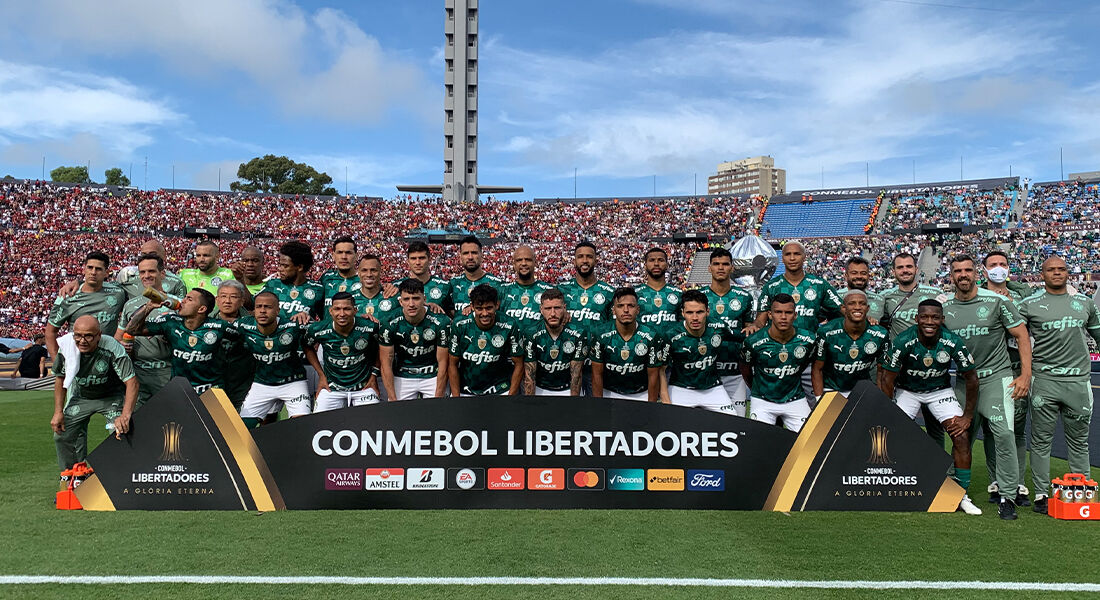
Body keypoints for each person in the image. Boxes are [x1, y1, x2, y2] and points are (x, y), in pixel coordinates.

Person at [942, 254, 1032, 519]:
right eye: (957, 271)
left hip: (997, 377)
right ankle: (955, 491)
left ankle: (1007, 496)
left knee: (1004, 434)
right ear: (951, 276)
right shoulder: (945, 307)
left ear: (975, 273)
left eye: (968, 270)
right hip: (963, 381)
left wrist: (1025, 376)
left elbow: (1021, 335)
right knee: (960, 437)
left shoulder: (997, 301)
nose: (963, 275)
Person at [880, 299, 982, 516]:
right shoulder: (903, 341)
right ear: (916, 319)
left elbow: (972, 378)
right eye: (924, 317)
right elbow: (888, 379)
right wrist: (889, 412)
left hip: (940, 391)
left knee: (961, 436)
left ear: (942, 320)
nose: (929, 321)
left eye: (935, 317)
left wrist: (967, 415)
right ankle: (899, 484)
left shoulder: (953, 341)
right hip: (907, 391)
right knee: (890, 435)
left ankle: (960, 495)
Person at [1018, 256, 1100, 515]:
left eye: (1061, 269)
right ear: (1041, 274)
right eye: (1051, 270)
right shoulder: (1028, 305)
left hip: (1078, 382)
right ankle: (1042, 494)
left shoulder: (1085, 303)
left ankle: (1082, 490)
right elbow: (1016, 337)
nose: (1057, 273)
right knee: (1041, 441)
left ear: (1068, 273)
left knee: (1079, 442)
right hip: (1044, 382)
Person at [749, 241, 842, 403]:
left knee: (815, 406)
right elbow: (761, 320)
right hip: (779, 358)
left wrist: (864, 318)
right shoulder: (772, 286)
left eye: (797, 254)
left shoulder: (819, 285)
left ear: (804, 257)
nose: (792, 258)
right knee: (776, 404)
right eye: (788, 254)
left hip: (809, 358)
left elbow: (842, 312)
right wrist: (754, 327)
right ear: (782, 259)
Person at [51, 315, 137, 471]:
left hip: (112, 397)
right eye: (78, 335)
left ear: (99, 335)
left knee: (120, 432)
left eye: (88, 336)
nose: (82, 341)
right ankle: (71, 476)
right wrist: (58, 412)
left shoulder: (112, 347)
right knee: (61, 434)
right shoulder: (66, 347)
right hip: (82, 397)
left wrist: (125, 415)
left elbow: (131, 381)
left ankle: (120, 477)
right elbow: (60, 379)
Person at [880, 252, 947, 448]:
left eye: (909, 266)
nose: (905, 270)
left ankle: (938, 470)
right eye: (900, 267)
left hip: (932, 368)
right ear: (893, 272)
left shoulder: (935, 294)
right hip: (902, 372)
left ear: (916, 269)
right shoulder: (885, 297)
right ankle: (907, 466)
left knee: (935, 424)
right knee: (900, 423)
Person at [981, 250, 1032, 504]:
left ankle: (1018, 483)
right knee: (992, 430)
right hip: (990, 369)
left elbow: (1028, 327)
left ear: (1009, 268)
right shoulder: (977, 293)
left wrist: (1009, 301)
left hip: (1015, 367)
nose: (998, 268)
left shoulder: (1024, 294)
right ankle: (996, 481)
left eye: (1003, 264)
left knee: (1016, 429)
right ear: (985, 269)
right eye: (993, 265)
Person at [225, 291, 311, 427]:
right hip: (262, 383)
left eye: (268, 307)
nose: (262, 311)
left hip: (293, 382)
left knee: (302, 426)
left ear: (277, 310)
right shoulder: (243, 325)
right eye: (259, 307)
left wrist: (306, 316)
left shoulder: (293, 326)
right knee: (242, 430)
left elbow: (322, 330)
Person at [127, 288, 228, 395]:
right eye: (184, 297)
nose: (183, 301)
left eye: (189, 299)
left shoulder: (219, 327)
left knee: (218, 412)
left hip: (212, 389)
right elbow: (131, 329)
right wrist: (148, 307)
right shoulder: (171, 322)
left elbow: (240, 340)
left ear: (201, 309)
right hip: (181, 389)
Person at [741, 293, 817, 432]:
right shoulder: (753, 342)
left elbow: (804, 364)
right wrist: (756, 388)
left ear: (795, 315)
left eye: (788, 312)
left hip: (795, 399)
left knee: (810, 439)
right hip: (763, 401)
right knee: (759, 439)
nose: (783, 317)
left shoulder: (809, 340)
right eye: (778, 312)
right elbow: (745, 369)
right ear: (770, 314)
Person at [662, 290, 743, 413]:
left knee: (731, 423)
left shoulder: (718, 327)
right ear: (682, 313)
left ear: (707, 311)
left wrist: (753, 329)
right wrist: (666, 400)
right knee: (673, 426)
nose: (695, 318)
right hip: (681, 388)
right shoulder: (671, 335)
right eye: (690, 312)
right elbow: (660, 370)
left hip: (713, 388)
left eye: (699, 312)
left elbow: (742, 338)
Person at [701, 248, 756, 416]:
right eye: (716, 264)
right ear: (709, 268)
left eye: (725, 264)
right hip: (706, 372)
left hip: (735, 371)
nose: (720, 268)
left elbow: (748, 330)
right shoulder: (698, 297)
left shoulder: (744, 296)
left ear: (732, 268)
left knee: (738, 420)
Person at [304, 292, 380, 411]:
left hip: (363, 387)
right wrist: (321, 375)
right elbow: (307, 347)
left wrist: (374, 375)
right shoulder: (318, 329)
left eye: (347, 309)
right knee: (319, 423)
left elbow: (382, 348)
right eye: (337, 309)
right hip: (331, 387)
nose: (342, 314)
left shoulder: (370, 328)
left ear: (355, 310)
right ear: (331, 311)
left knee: (372, 425)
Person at [116, 253, 174, 406]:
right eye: (142, 272)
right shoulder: (130, 305)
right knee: (137, 424)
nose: (146, 276)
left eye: (151, 271)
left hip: (167, 371)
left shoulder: (176, 304)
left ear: (162, 273)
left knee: (171, 424)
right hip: (138, 373)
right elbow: (119, 337)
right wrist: (123, 346)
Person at [379, 279, 451, 401]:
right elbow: (386, 362)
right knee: (399, 417)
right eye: (406, 299)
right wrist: (392, 398)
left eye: (416, 298)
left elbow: (443, 362)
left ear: (424, 299)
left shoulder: (441, 322)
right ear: (400, 302)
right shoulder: (389, 322)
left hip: (432, 374)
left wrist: (438, 398)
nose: (411, 304)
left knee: (437, 416)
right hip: (402, 375)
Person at [46, 251, 127, 358]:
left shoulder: (118, 292)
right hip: (78, 358)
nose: (93, 272)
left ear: (106, 273)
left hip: (108, 358)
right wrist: (57, 362)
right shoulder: (67, 296)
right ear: (84, 269)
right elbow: (50, 332)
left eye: (98, 269)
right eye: (90, 267)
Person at [590, 287, 665, 402]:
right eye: (620, 306)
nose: (626, 310)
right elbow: (596, 374)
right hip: (609, 393)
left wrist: (651, 407)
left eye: (631, 305)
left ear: (638, 309)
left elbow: (653, 376)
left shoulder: (651, 336)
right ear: (613, 310)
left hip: (641, 394)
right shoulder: (600, 334)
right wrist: (599, 405)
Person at [448, 284, 523, 396]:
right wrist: (456, 397)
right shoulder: (460, 325)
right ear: (472, 306)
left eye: (489, 308)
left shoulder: (509, 324)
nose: (484, 313)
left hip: (500, 389)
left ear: (497, 305)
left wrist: (510, 396)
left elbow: (519, 364)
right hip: (467, 390)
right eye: (479, 308)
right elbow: (453, 364)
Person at [811, 289, 888, 397]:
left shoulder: (880, 334)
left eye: (862, 304)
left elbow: (882, 371)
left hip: (862, 389)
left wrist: (881, 398)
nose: (857, 307)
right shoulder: (826, 332)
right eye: (852, 303)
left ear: (867, 308)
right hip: (831, 389)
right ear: (843, 308)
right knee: (830, 414)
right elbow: (817, 369)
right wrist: (819, 398)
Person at [523, 288, 585, 396]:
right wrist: (530, 405)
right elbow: (530, 376)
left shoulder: (578, 333)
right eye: (548, 308)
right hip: (540, 389)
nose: (552, 313)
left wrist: (574, 403)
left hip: (566, 389)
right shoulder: (531, 333)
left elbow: (576, 375)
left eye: (557, 308)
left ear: (564, 308)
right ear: (541, 309)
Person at [213, 280, 254, 408]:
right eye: (223, 296)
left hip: (243, 384)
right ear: (217, 299)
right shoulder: (204, 320)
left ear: (242, 301)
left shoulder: (253, 323)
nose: (227, 301)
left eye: (233, 297)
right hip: (213, 383)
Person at [499, 245, 553, 340]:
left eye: (528, 260)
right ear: (513, 264)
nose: (523, 263)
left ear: (535, 262)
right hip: (510, 351)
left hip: (539, 350)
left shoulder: (548, 291)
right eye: (519, 260)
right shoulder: (502, 291)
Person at [264, 241, 324, 322]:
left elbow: (327, 322)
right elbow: (250, 308)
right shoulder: (272, 285)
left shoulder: (318, 289)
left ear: (299, 267)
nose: (280, 269)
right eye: (280, 264)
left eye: (285, 266)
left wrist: (310, 320)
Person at [448, 236, 503, 315]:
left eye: (474, 253)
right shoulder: (452, 284)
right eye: (466, 253)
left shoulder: (497, 284)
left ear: (481, 255)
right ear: (460, 257)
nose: (470, 257)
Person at [397, 241, 451, 314]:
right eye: (413, 258)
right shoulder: (396, 287)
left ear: (429, 259)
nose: (418, 262)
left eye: (422, 258)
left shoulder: (445, 286)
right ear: (408, 261)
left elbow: (454, 317)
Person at [635, 247, 682, 329]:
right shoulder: (635, 294)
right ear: (645, 266)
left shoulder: (678, 294)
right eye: (652, 260)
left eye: (661, 260)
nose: (656, 263)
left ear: (667, 265)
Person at [353, 254, 400, 324]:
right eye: (364, 270)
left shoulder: (393, 297)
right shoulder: (350, 300)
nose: (369, 274)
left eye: (373, 270)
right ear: (359, 273)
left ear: (381, 272)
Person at [838, 257, 885, 322]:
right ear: (846, 276)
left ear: (868, 276)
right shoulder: (835, 297)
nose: (859, 276)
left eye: (863, 273)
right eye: (854, 273)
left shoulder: (880, 300)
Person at [319, 236, 361, 307]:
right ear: (333, 256)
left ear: (356, 256)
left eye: (348, 253)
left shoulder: (364, 281)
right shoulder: (326, 279)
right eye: (340, 252)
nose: (344, 257)